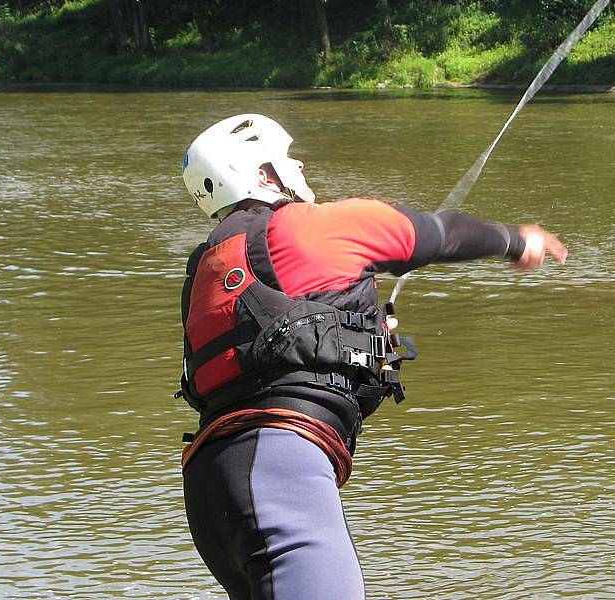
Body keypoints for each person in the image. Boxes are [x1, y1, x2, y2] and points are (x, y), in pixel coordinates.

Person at [178, 114, 567, 599]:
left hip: (210, 487)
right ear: (261, 175)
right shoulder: (308, 228)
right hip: (280, 472)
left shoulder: (208, 266)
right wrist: (514, 240)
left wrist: (367, 341)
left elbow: (276, 366)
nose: (298, 163)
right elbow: (432, 233)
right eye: (284, 158)